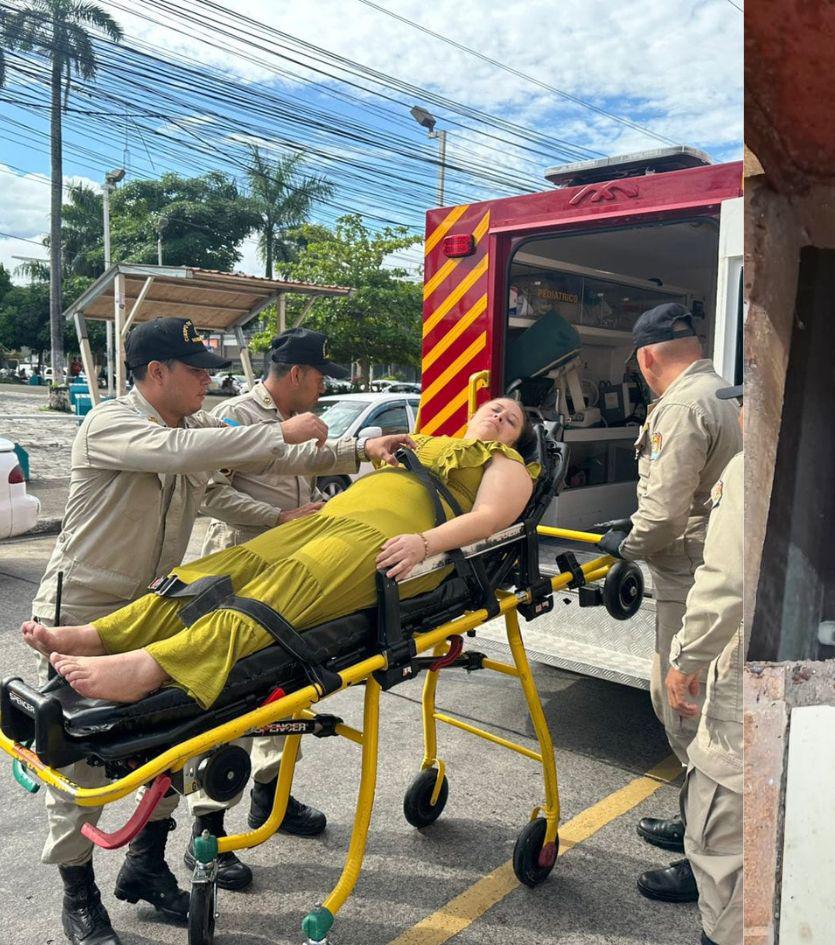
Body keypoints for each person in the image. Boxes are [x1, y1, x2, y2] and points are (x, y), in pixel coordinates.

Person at [24, 316, 408, 945]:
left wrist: (358, 451)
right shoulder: (110, 425)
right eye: (197, 369)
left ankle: (146, 865)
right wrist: (272, 431)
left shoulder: (195, 425)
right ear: (157, 373)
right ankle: (79, 891)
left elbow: (270, 451)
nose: (210, 379)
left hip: (157, 605)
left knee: (179, 736)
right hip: (88, 606)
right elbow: (199, 453)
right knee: (83, 758)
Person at [24, 398, 540, 713]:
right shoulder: (425, 442)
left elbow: (491, 520)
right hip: (329, 518)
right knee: (220, 569)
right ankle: (103, 634)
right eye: (494, 406)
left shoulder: (506, 462)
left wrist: (425, 544)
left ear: (519, 437)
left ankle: (152, 666)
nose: (499, 414)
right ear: (472, 412)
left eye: (511, 417)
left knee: (278, 589)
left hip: (387, 543)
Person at [180, 328, 349, 892]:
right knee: (228, 698)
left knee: (284, 688)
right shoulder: (235, 415)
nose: (324, 389)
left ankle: (269, 797)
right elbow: (208, 493)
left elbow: (302, 467)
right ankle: (208, 828)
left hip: (289, 572)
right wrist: (275, 518)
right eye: (321, 377)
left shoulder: (297, 420)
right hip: (239, 564)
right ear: (297, 375)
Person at [596, 302, 741, 903]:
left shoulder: (680, 406)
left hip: (690, 578)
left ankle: (700, 856)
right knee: (697, 707)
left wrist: (623, 546)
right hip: (711, 565)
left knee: (683, 708)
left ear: (648, 357)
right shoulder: (723, 393)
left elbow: (662, 513)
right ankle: (693, 822)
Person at [667, 386, 743, 945]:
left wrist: (686, 659)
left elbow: (727, 583)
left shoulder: (755, 466)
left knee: (725, 843)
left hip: (752, 674)